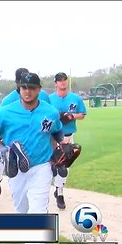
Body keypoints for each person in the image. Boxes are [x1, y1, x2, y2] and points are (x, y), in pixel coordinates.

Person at [0, 72, 63, 244]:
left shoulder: (50, 111)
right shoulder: (5, 112)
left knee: (37, 211)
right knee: (22, 211)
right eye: (24, 88)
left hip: (41, 166)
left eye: (31, 88)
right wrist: (3, 149)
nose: (27, 91)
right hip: (16, 169)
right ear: (19, 89)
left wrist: (61, 147)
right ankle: (38, 237)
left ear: (39, 89)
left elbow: (57, 131)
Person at [49, 72, 87, 210]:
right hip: (52, 136)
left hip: (68, 135)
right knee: (54, 166)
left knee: (64, 167)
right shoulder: (50, 99)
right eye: (59, 80)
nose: (63, 82)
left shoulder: (75, 98)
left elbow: (82, 115)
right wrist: (58, 116)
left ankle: (59, 192)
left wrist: (71, 116)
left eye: (64, 80)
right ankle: (56, 191)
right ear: (56, 83)